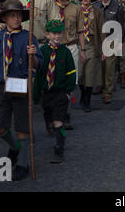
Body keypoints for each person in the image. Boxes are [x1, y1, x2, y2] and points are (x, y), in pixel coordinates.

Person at [0, 0, 43, 181]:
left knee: (22, 127)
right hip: (3, 85)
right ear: (4, 18)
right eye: (12, 15)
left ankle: (22, 164)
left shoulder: (28, 37)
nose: (16, 18)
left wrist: (32, 55)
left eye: (19, 15)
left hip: (21, 85)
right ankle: (14, 147)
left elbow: (38, 65)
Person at [33, 20, 76, 163]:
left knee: (59, 121)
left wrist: (68, 92)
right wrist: (36, 94)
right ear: (47, 34)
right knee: (49, 117)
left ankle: (59, 149)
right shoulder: (43, 51)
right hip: (46, 93)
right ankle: (50, 123)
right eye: (54, 33)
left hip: (60, 93)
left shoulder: (66, 52)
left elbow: (71, 73)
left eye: (59, 33)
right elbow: (38, 75)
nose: (57, 36)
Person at [48, 0, 81, 131]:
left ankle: (64, 113)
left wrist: (83, 50)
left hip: (70, 46)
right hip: (53, 47)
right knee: (51, 80)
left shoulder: (76, 8)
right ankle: (50, 113)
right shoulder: (50, 6)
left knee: (69, 81)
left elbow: (81, 30)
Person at [93, 0, 125, 104]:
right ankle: (101, 86)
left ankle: (108, 92)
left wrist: (121, 42)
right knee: (100, 66)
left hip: (112, 40)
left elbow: (122, 25)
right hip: (98, 40)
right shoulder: (95, 6)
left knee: (110, 67)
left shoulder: (117, 7)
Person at [75, 0, 104, 112]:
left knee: (90, 74)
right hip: (78, 44)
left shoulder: (97, 12)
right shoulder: (76, 11)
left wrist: (104, 49)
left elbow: (101, 31)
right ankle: (82, 94)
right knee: (80, 74)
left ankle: (87, 100)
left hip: (92, 44)